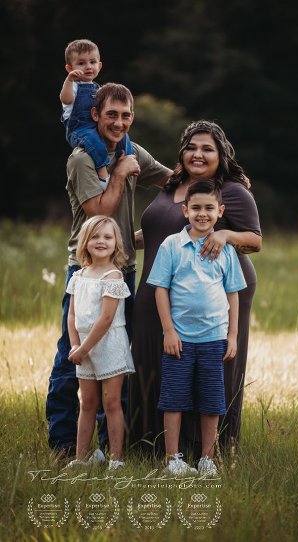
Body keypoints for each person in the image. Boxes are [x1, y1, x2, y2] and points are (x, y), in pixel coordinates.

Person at [46, 83, 172, 459]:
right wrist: (119, 174)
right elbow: (99, 212)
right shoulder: (83, 159)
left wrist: (224, 179)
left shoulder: (132, 151)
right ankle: (66, 442)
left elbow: (173, 179)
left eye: (126, 115)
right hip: (85, 271)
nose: (119, 122)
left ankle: (109, 445)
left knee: (116, 354)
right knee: (75, 354)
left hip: (125, 271)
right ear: (96, 115)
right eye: (111, 115)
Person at [129, 120, 262, 459]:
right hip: (159, 284)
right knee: (156, 361)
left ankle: (207, 448)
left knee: (208, 364)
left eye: (207, 149)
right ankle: (152, 445)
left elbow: (254, 239)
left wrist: (224, 235)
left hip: (212, 291)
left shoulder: (230, 190)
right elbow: (160, 229)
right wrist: (116, 242)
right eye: (191, 147)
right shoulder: (173, 184)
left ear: (221, 155)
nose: (197, 154)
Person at [148, 181, 246, 475]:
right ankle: (172, 460)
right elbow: (160, 289)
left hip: (214, 338)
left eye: (208, 208)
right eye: (196, 208)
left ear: (220, 211)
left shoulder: (225, 250)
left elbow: (233, 293)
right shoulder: (171, 246)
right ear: (185, 210)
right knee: (174, 398)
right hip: (179, 339)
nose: (202, 214)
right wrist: (168, 330)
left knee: (211, 400)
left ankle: (206, 459)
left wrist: (232, 335)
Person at [64, 216, 134, 471]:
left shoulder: (114, 276)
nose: (101, 241)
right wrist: (75, 346)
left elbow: (105, 319)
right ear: (85, 242)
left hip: (109, 345)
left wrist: (83, 348)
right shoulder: (79, 275)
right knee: (87, 402)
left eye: (107, 237)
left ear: (116, 243)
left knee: (111, 401)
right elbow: (71, 315)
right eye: (95, 236)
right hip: (83, 349)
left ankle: (116, 458)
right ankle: (82, 458)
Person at [59, 39, 132, 187]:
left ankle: (127, 158)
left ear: (99, 66)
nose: (88, 67)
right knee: (95, 142)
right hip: (80, 130)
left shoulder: (98, 89)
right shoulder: (73, 85)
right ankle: (102, 174)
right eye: (81, 63)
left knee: (124, 137)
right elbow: (65, 99)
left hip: (96, 127)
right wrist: (69, 80)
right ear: (69, 68)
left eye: (92, 62)